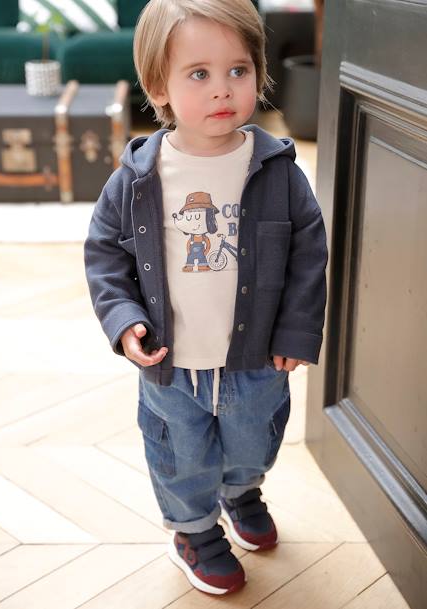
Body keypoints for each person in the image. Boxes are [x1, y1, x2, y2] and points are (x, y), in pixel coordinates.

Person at [84, 0, 328, 596]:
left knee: (253, 442)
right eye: (199, 74)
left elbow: (309, 254)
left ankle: (241, 491)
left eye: (238, 71)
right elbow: (106, 255)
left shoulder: (277, 169)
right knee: (182, 457)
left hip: (256, 358)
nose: (223, 90)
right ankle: (194, 529)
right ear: (156, 86)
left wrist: (297, 333)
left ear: (258, 74)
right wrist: (124, 321)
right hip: (172, 366)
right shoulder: (139, 177)